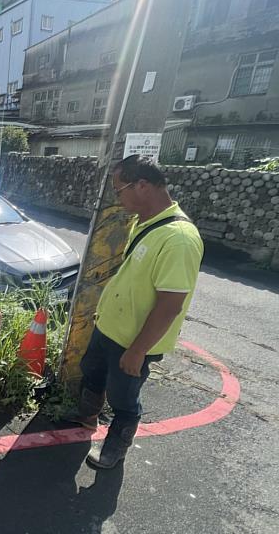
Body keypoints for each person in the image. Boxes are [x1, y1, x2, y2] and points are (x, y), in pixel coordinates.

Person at [69, 154, 204, 469]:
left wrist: (138, 351)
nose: (118, 198)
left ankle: (115, 448)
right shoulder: (143, 222)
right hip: (109, 328)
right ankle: (86, 419)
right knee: (92, 371)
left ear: (142, 185)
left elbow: (171, 304)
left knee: (124, 399)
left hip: (132, 342)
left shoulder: (179, 239)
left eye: (120, 190)